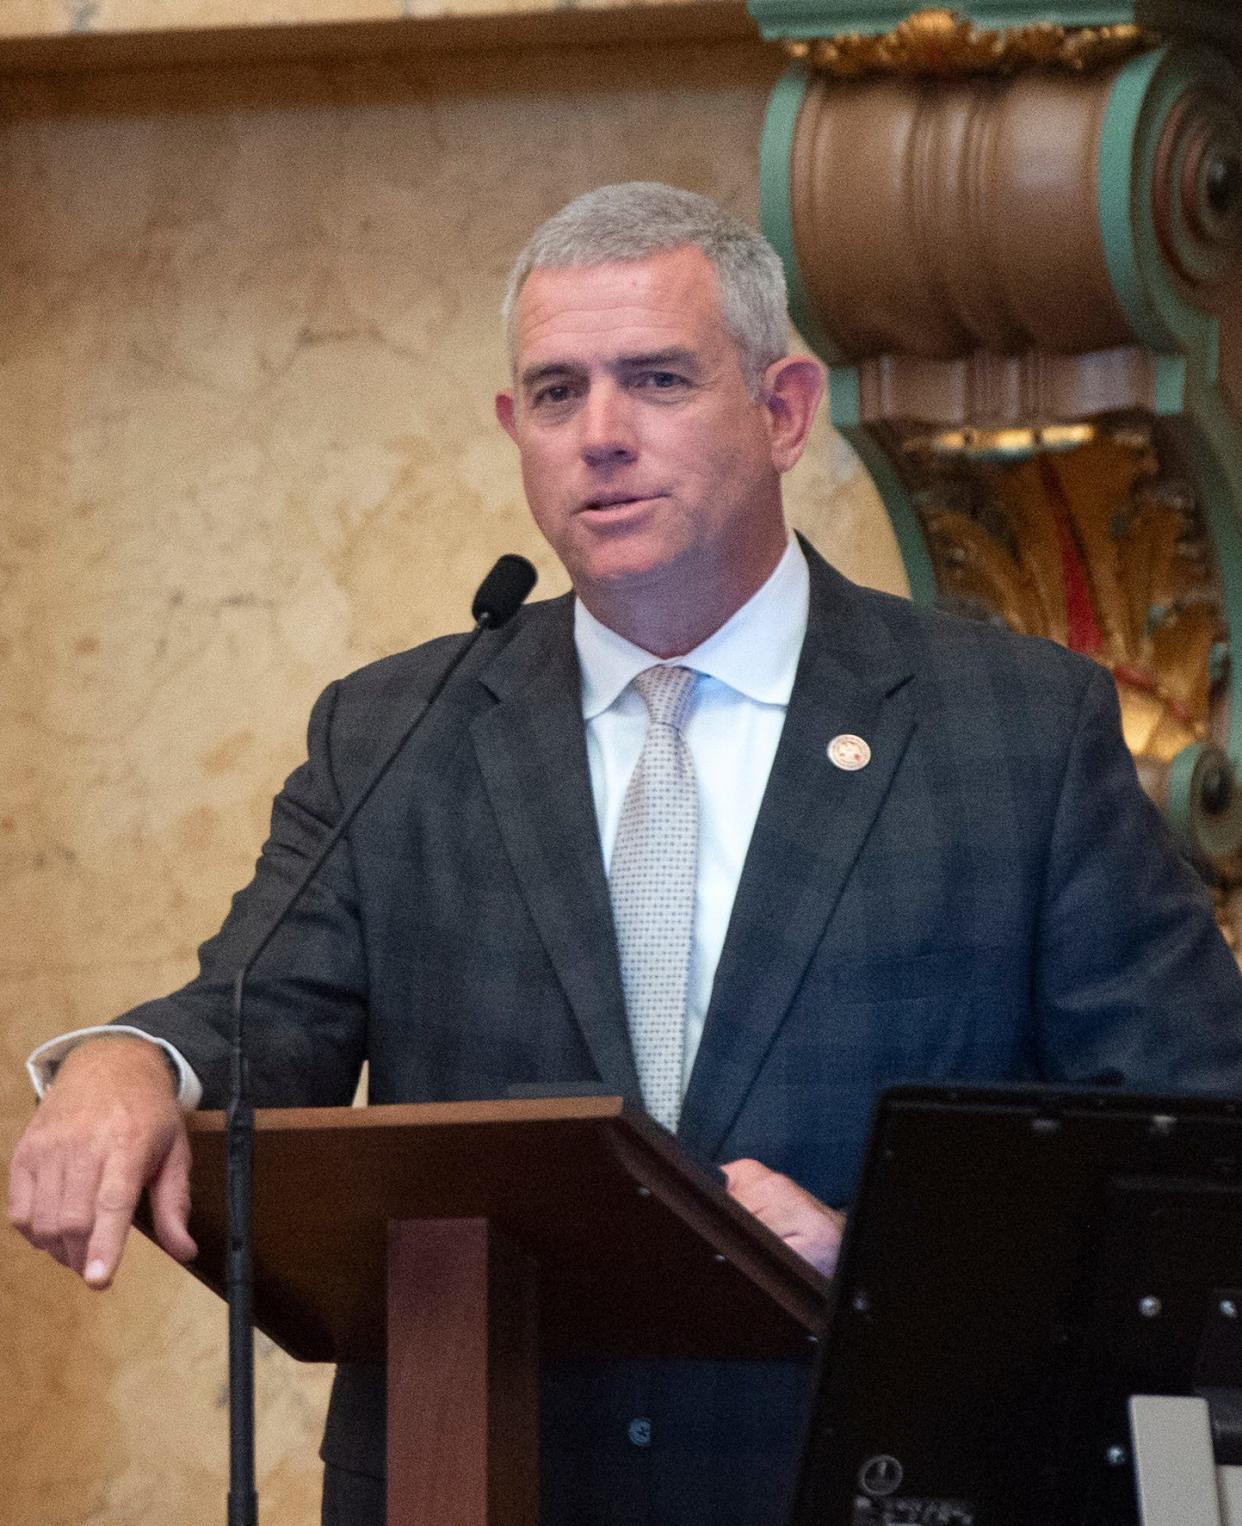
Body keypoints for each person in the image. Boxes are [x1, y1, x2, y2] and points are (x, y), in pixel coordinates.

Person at [9, 182, 1242, 1526]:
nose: (599, 436)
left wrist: (882, 1263)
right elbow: (261, 1013)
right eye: (554, 393)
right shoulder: (393, 731)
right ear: (511, 430)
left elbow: (1188, 1159)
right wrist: (131, 1061)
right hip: (481, 1475)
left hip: (863, 1475)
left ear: (781, 410)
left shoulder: (1012, 729)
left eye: (654, 380)